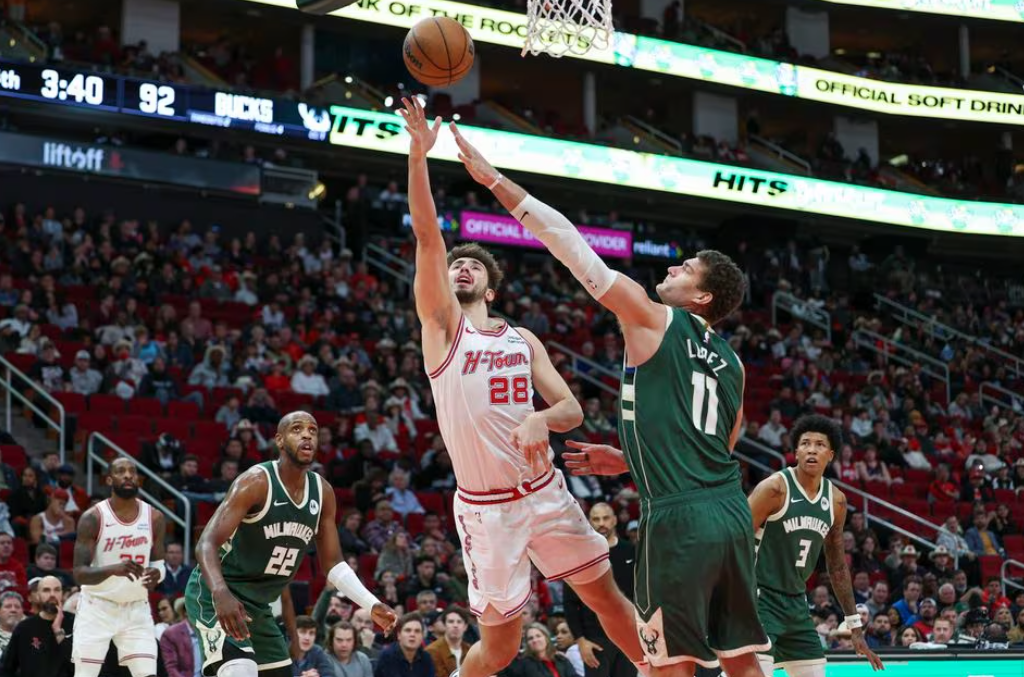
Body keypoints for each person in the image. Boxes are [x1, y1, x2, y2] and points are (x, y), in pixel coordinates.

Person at [451, 125, 767, 674]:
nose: (672, 268)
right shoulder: (735, 363)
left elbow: (575, 249)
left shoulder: (653, 316)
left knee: (667, 662)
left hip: (680, 520)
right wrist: (629, 460)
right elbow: (719, 447)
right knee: (740, 659)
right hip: (731, 514)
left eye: (685, 268)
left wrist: (496, 182)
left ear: (702, 297)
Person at [400, 97, 645, 677]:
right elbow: (429, 240)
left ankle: (660, 672)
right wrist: (418, 157)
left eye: (473, 266)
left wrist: (542, 419)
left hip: (545, 492)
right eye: (456, 265)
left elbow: (571, 409)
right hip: (488, 511)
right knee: (504, 647)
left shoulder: (522, 340)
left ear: (491, 288)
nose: (460, 267)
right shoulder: (441, 329)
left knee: (607, 598)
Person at [185, 411, 397, 677]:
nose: (307, 434)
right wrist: (219, 592)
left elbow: (333, 564)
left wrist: (371, 603)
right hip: (216, 593)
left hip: (257, 606)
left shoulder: (323, 493)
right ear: (280, 440)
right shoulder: (256, 481)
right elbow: (206, 543)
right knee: (240, 669)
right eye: (296, 429)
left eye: (313, 430)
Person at [746, 415, 883, 677]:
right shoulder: (775, 488)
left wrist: (855, 627)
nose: (811, 449)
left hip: (797, 604)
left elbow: (838, 566)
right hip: (758, 598)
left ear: (830, 455)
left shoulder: (836, 501)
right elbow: (733, 540)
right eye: (805, 443)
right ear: (795, 451)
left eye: (820, 444)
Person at [71, 457, 166, 677]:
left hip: (136, 608)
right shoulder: (93, 518)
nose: (127, 476)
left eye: (132, 472)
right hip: (97, 608)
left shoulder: (154, 517)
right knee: (85, 674)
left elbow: (159, 565)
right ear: (109, 479)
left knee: (148, 674)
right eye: (121, 471)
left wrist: (158, 574)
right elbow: (79, 574)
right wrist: (113, 569)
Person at [563, 503, 636, 677]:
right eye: (596, 519)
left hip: (629, 635)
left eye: (605, 518)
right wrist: (580, 641)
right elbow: (570, 602)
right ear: (589, 522)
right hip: (595, 639)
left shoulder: (632, 551)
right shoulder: (580, 555)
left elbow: (643, 595)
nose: (601, 523)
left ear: (615, 520)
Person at [0, 575, 74, 676]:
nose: (52, 594)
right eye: (46, 590)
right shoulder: (24, 628)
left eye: (57, 590)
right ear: (38, 595)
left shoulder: (75, 623)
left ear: (62, 593)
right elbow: (7, 669)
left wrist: (58, 631)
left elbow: (79, 666)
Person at [502, 623, 577, 677]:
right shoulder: (523, 664)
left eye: (538, 636)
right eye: (530, 638)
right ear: (527, 644)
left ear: (546, 638)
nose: (535, 640)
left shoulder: (561, 659)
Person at [426, 607, 472, 677]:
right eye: (451, 621)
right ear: (444, 625)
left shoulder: (470, 650)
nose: (455, 625)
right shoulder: (432, 650)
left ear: (465, 626)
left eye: (459, 622)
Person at [0, 591, 24, 659]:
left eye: (17, 607)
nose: (13, 610)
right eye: (8, 606)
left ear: (22, 611)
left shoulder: (32, 634)